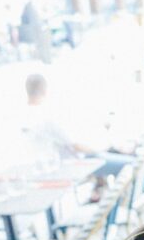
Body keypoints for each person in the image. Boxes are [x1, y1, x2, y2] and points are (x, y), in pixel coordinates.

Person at [23, 74, 134, 202]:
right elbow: (77, 146)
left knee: (108, 156)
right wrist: (100, 149)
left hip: (40, 171)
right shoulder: (46, 117)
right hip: (70, 166)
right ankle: (122, 204)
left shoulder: (24, 116)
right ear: (45, 90)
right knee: (130, 164)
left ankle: (105, 196)